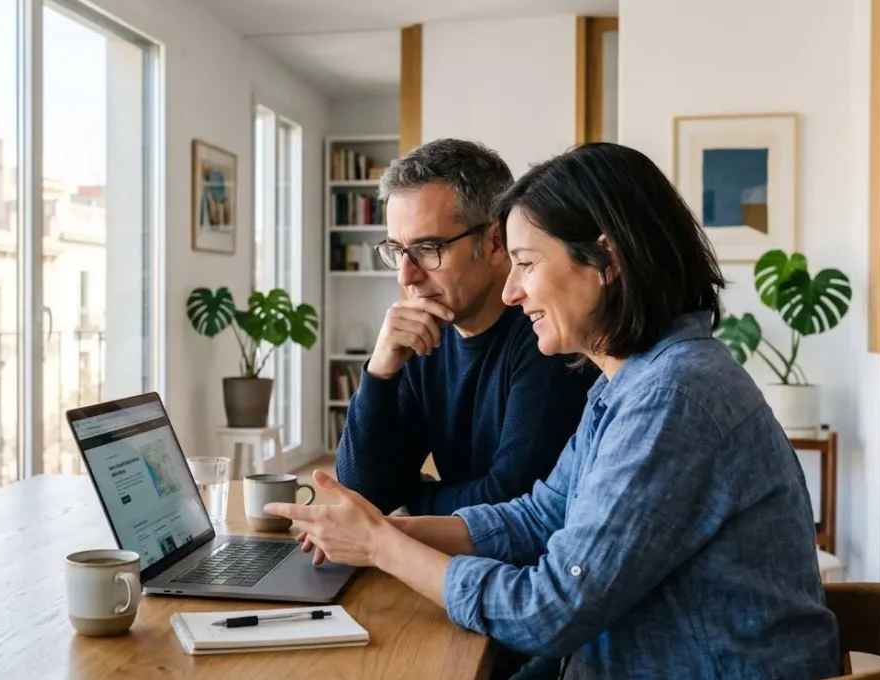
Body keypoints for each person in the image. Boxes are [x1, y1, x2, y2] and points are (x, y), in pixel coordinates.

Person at [269, 143, 841, 679]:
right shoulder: (629, 380)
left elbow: (549, 609)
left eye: (526, 264)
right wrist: (385, 528)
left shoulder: (672, 398)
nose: (512, 293)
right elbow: (541, 515)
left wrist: (381, 545)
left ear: (606, 259)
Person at [337, 138, 598, 517]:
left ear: (495, 242)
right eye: (398, 250)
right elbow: (361, 492)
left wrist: (407, 503)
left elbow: (512, 499)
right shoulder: (423, 335)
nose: (408, 276)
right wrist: (379, 371)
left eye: (428, 248)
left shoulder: (548, 334)